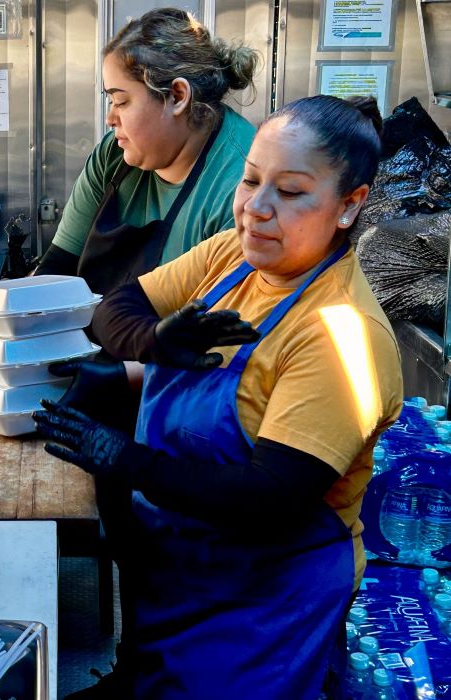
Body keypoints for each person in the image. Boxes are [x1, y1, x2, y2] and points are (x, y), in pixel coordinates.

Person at [34, 95, 403, 699]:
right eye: (250, 180)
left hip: (260, 612)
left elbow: (269, 499)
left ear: (348, 206)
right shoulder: (236, 258)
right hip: (179, 578)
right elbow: (114, 307)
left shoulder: (342, 335)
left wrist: (124, 459)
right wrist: (154, 341)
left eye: (290, 191)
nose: (256, 209)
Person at [35, 8, 259, 297]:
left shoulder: (241, 184)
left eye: (121, 101)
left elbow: (217, 323)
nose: (110, 118)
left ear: (177, 96)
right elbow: (57, 268)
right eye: (110, 100)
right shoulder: (113, 154)